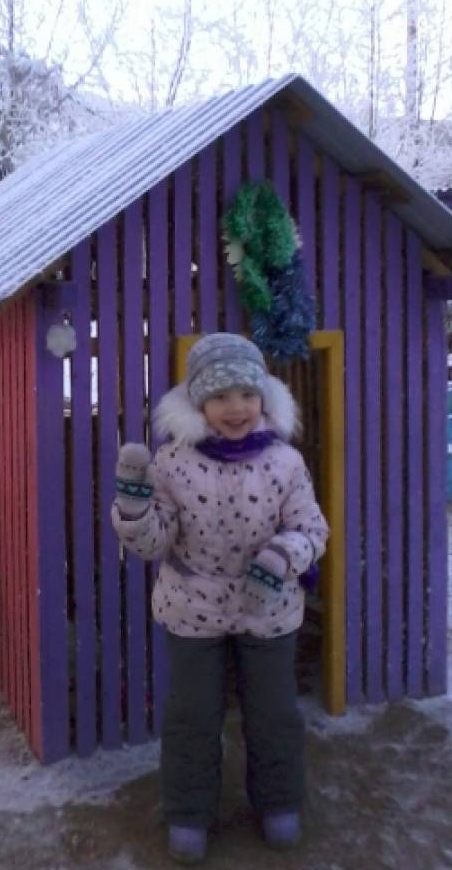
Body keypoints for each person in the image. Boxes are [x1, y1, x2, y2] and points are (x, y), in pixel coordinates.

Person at [112, 333, 329, 864]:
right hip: (193, 608)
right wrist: (135, 514)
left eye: (247, 394)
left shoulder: (285, 462)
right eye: (220, 396)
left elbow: (311, 529)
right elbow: (155, 543)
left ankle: (278, 802)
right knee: (192, 715)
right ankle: (188, 813)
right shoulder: (173, 462)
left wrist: (281, 557)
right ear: (197, 402)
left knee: (274, 712)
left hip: (268, 609)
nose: (236, 408)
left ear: (264, 396)